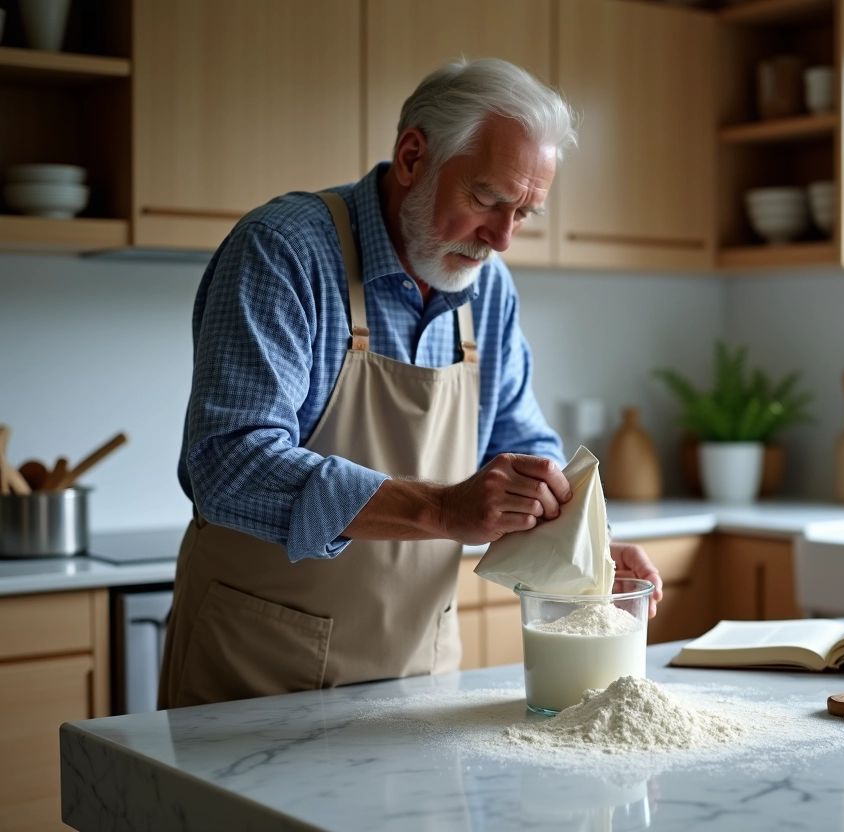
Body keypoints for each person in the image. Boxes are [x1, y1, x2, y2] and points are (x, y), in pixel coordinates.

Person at [158, 58, 663, 708]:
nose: (502, 239)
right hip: (257, 678)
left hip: (420, 678)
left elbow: (521, 449)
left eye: (525, 213)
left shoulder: (487, 288)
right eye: (488, 200)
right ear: (412, 156)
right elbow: (228, 465)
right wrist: (443, 509)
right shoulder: (283, 251)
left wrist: (590, 547)